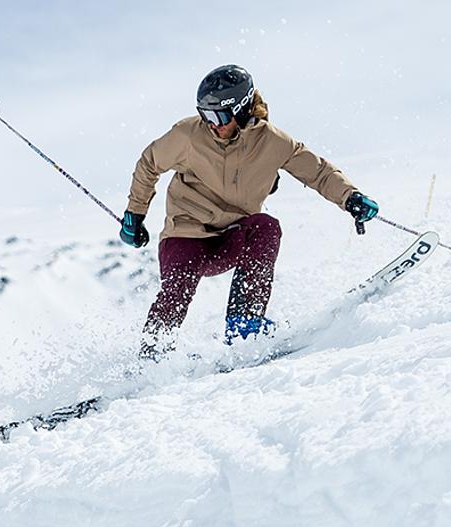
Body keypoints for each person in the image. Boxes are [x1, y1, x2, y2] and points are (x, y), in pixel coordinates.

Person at [119, 64, 380, 356]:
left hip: (232, 235)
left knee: (266, 226)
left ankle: (244, 325)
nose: (211, 124)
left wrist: (350, 197)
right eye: (205, 115)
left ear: (242, 109)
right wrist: (135, 215)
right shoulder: (188, 135)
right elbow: (149, 163)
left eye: (218, 116)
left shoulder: (274, 142)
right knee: (178, 288)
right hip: (186, 232)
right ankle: (151, 356)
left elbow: (318, 172)